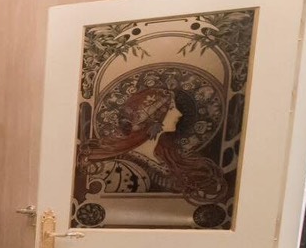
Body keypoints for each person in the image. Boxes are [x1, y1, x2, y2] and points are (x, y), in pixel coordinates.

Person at [78, 84, 228, 205]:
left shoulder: (165, 157)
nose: (179, 114)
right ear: (155, 118)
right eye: (172, 108)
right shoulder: (119, 168)